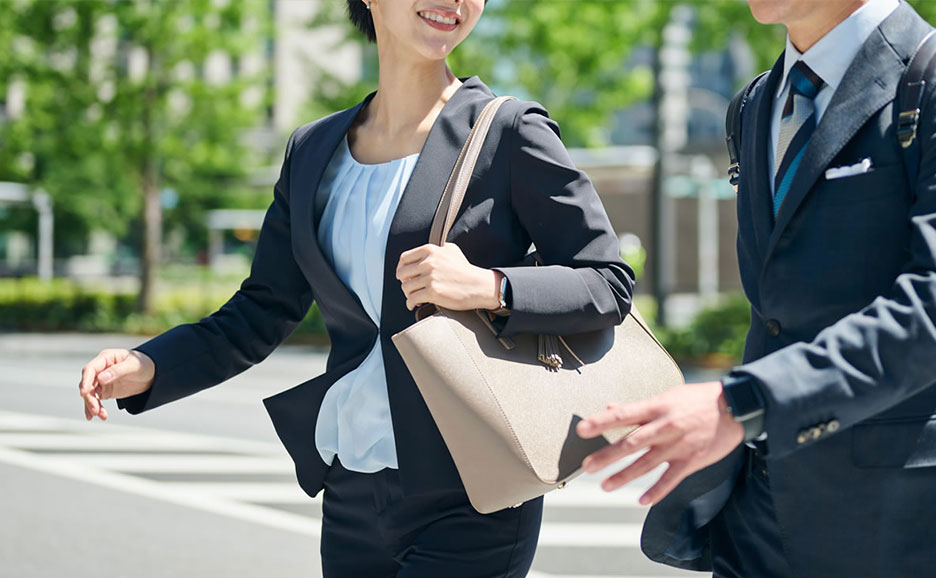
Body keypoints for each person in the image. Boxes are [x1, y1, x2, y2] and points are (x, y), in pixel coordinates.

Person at [77, 0, 635, 576]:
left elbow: (607, 282)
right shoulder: (314, 151)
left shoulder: (508, 132)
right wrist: (150, 365)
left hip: (474, 488)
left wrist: (490, 286)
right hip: (352, 487)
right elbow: (262, 309)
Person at [576, 1, 936, 577]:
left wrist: (743, 403)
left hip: (894, 517)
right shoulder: (753, 104)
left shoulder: (926, 77)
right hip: (756, 520)